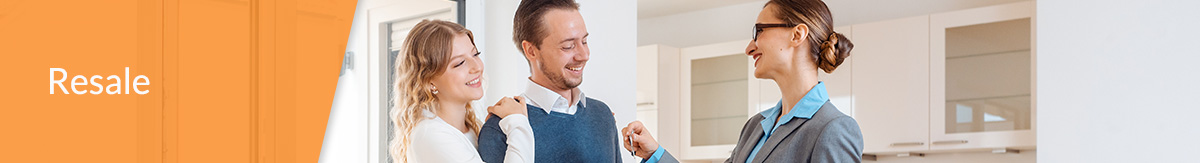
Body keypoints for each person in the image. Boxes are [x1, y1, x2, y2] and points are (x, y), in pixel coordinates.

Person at [622, 0, 863, 162]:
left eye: (759, 31)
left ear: (797, 34)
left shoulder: (834, 129)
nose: (749, 48)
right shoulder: (756, 126)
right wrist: (655, 152)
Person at [476, 0, 622, 162]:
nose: (584, 55)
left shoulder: (602, 115)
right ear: (531, 51)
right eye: (568, 46)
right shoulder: (501, 128)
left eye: (584, 42)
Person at [391, 19, 535, 163]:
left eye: (475, 54)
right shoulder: (431, 135)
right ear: (429, 81)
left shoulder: (470, 129)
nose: (477, 67)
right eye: (460, 63)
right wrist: (518, 122)